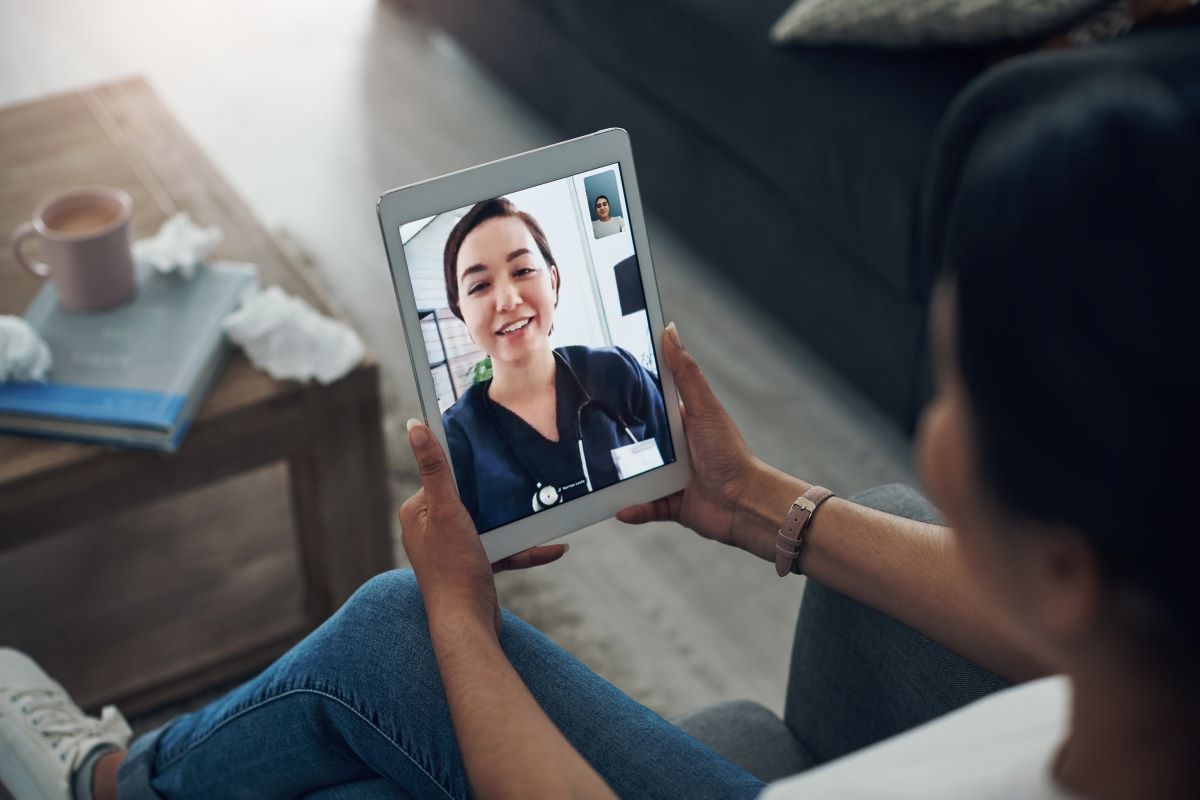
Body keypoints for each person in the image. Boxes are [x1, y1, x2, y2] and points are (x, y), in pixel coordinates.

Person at [3, 75, 1199, 800]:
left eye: (958, 400)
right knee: (876, 498)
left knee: (392, 630)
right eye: (480, 279)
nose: (938, 432)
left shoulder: (609, 377)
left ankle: (96, 783)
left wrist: (461, 623)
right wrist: (751, 503)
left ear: (1068, 566)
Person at [439, 198, 673, 532]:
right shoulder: (456, 438)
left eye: (522, 271)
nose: (507, 300)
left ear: (553, 280)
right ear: (462, 313)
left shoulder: (617, 372)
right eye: (479, 286)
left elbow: (681, 478)